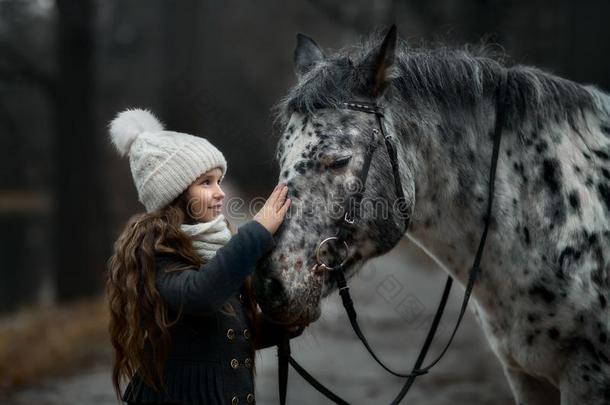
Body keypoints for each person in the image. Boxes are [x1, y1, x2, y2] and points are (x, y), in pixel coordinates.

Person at [105, 108, 302, 405]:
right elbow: (201, 294)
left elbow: (222, 337)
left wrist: (285, 322)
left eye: (219, 181)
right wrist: (258, 230)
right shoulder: (154, 250)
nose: (220, 192)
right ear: (175, 193)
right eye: (206, 182)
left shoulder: (216, 245)